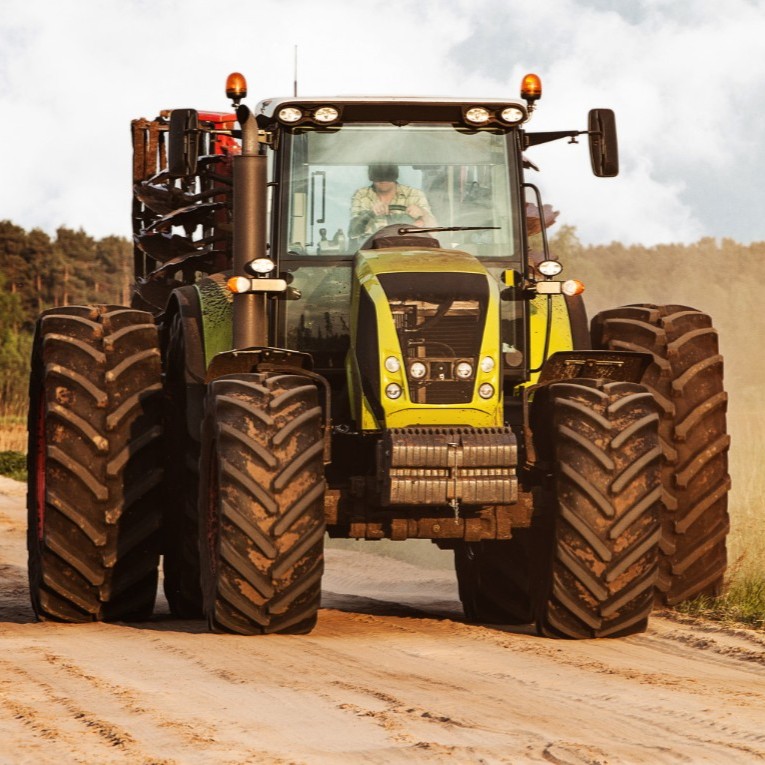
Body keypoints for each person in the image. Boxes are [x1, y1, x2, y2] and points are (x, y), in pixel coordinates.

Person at [349, 163, 437, 242]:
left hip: (411, 250)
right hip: (371, 252)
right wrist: (370, 214)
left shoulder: (414, 194)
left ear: (395, 174)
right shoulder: (361, 195)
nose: (383, 179)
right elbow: (353, 232)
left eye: (388, 174)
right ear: (370, 175)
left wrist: (423, 214)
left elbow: (435, 231)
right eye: (378, 174)